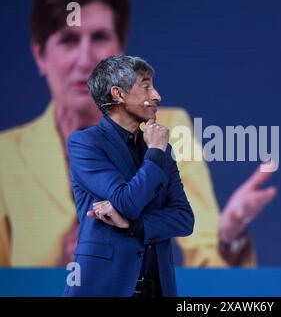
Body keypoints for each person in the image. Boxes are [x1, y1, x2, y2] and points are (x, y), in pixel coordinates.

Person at [0, 0, 276, 268]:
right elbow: (126, 203)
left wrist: (227, 237)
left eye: (99, 37)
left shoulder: (170, 128)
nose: (85, 60)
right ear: (40, 55)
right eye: (69, 40)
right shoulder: (8, 153)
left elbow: (186, 224)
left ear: (120, 53)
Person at [63, 54, 194, 297]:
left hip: (157, 289)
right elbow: (127, 202)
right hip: (102, 288)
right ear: (118, 94)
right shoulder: (86, 143)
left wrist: (134, 226)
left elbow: (184, 219)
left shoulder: (162, 150)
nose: (156, 96)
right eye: (146, 87)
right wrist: (155, 152)